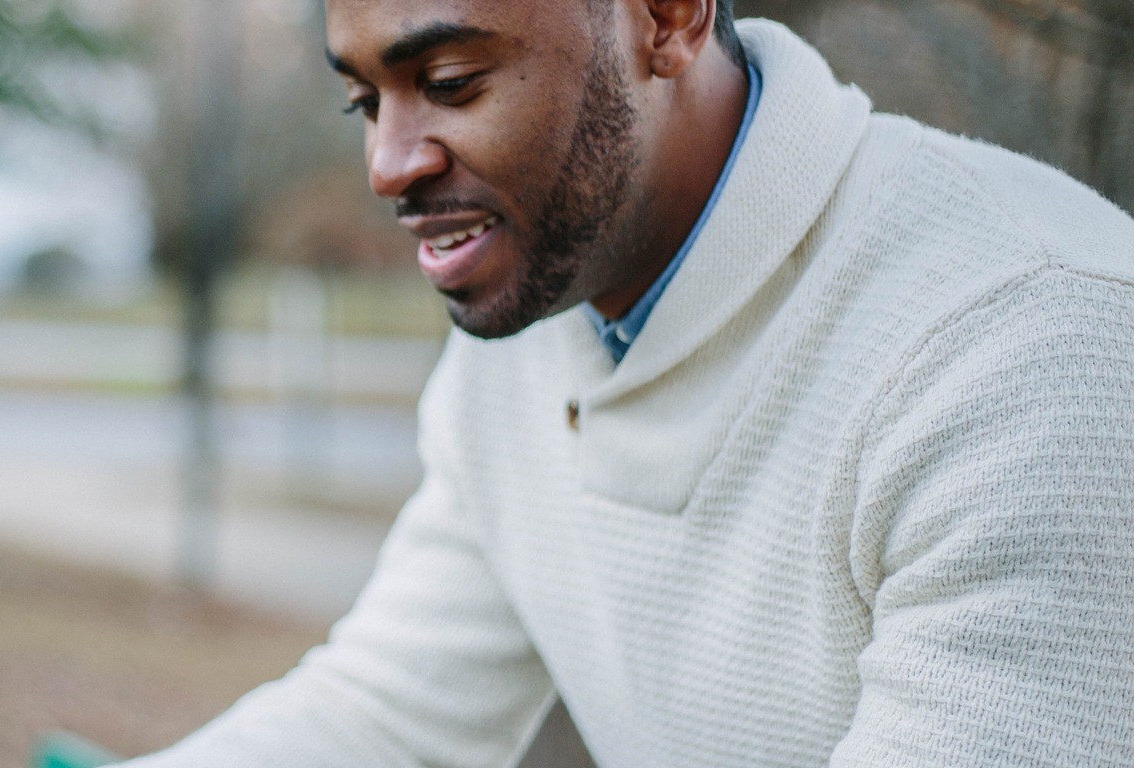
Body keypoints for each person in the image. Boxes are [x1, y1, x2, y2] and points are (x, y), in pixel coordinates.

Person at [119, 0, 1134, 766]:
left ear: (666, 18)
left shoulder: (1033, 350)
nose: (386, 163)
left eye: (455, 78)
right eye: (364, 99)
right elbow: (384, 716)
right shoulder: (540, 310)